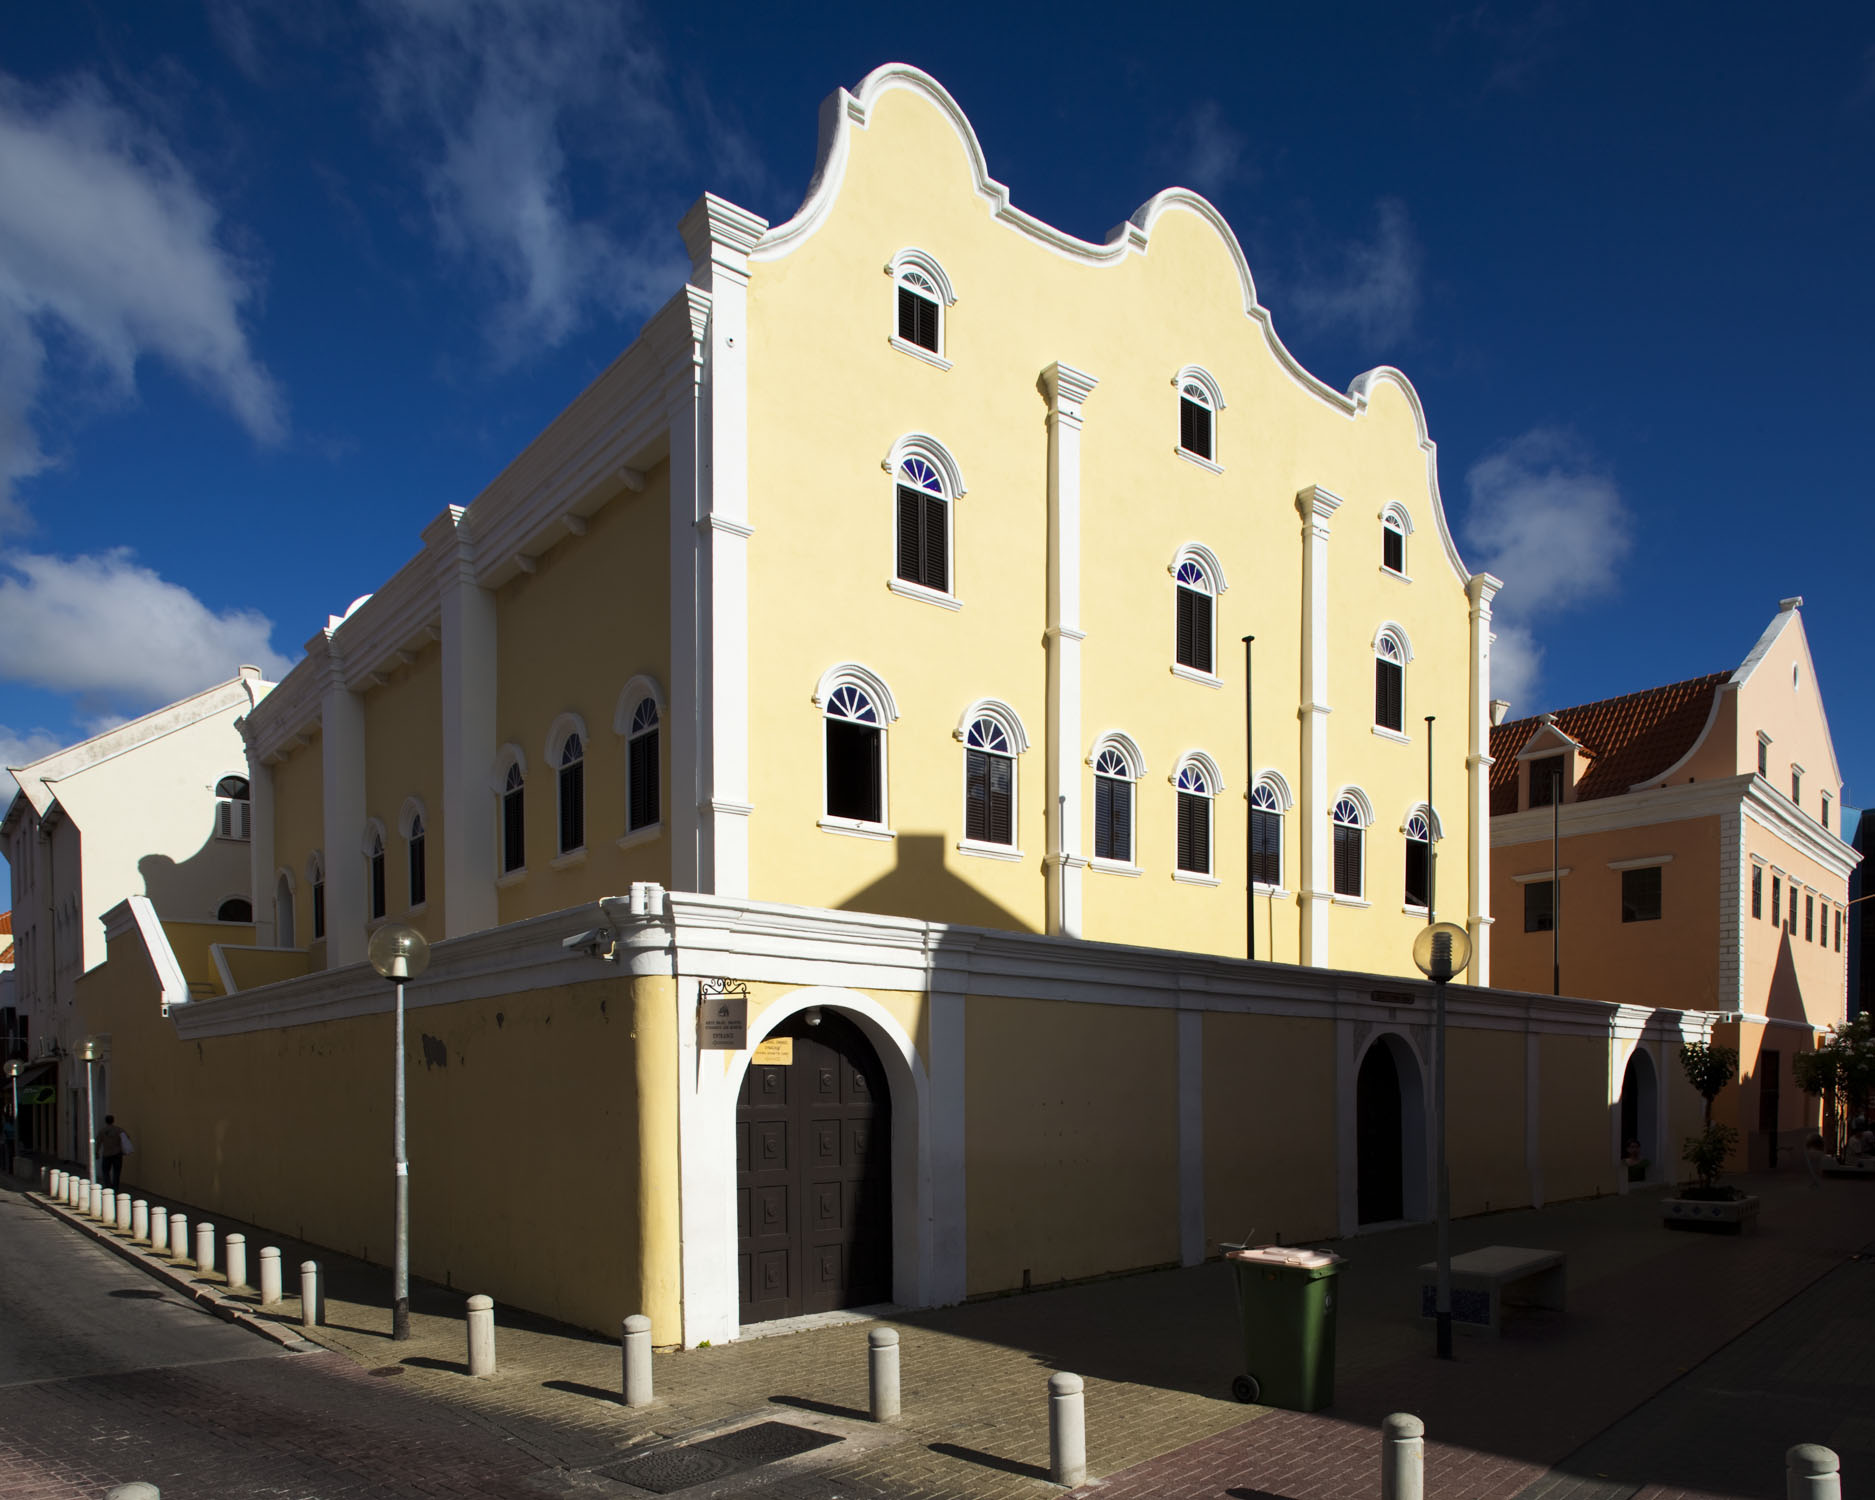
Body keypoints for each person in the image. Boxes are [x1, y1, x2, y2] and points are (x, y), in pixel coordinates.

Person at [97, 1114, 130, 1190]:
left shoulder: (102, 1131)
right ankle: (115, 1187)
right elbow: (127, 1137)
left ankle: (108, 1186)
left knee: (105, 1171)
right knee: (117, 1172)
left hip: (107, 1154)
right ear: (113, 1120)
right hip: (117, 1153)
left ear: (106, 1121)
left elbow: (98, 1142)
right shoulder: (119, 1130)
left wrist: (96, 1152)